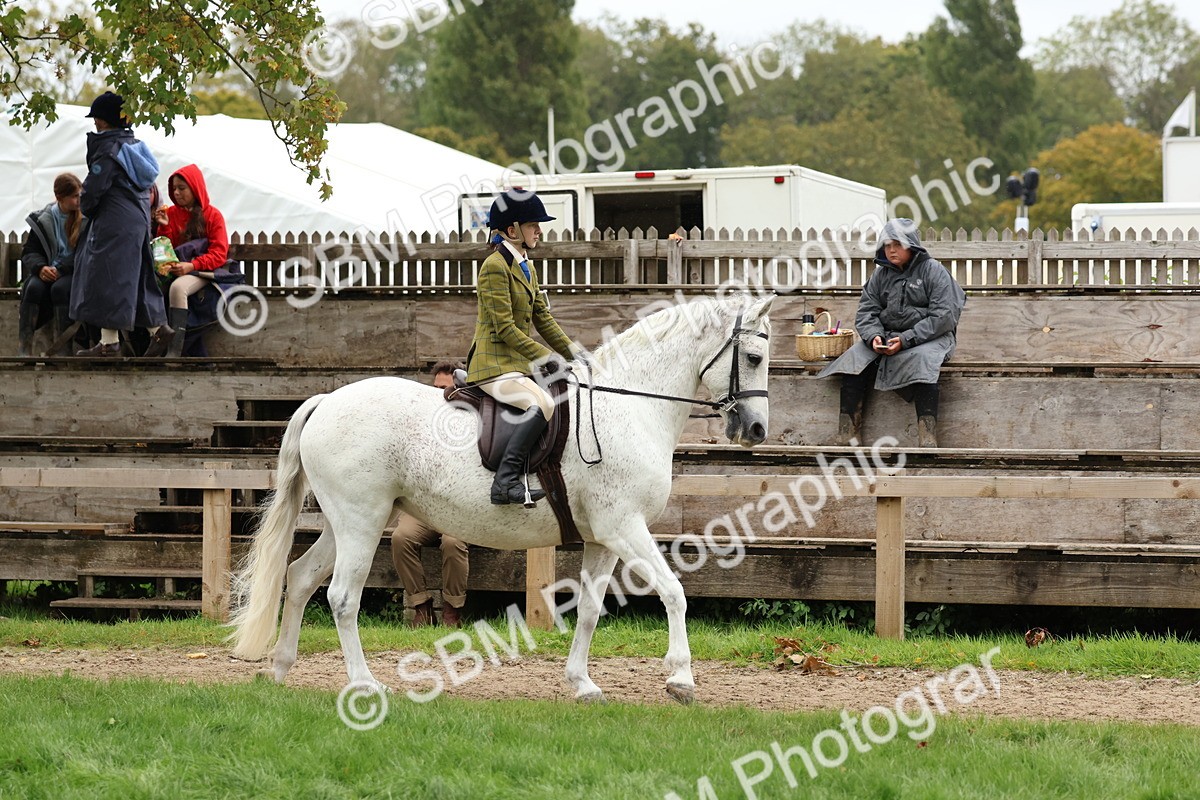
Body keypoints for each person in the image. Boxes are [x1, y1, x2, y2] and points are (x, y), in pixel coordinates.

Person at [467, 189, 582, 505]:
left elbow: (543, 319)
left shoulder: (525, 264)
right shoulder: (494, 266)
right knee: (542, 404)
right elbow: (505, 329)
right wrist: (548, 358)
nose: (539, 231)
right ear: (512, 229)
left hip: (515, 364)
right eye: (533, 225)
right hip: (492, 365)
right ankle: (504, 483)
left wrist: (577, 354)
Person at [819, 218, 966, 448]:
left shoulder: (934, 271)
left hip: (932, 339)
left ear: (912, 246)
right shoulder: (880, 275)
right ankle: (847, 436)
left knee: (924, 361)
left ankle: (927, 438)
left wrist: (906, 339)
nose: (891, 250)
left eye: (897, 244)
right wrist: (873, 337)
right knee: (854, 359)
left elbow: (943, 317)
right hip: (888, 337)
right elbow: (866, 313)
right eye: (887, 245)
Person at [70, 91, 167, 357]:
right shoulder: (133, 146)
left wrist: (86, 206)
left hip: (114, 223)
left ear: (104, 120)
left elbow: (92, 192)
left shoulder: (108, 150)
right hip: (136, 221)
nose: (95, 123)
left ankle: (110, 344)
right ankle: (156, 331)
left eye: (97, 118)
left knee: (106, 279)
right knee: (135, 278)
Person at [391, 360, 471, 627]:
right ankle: (421, 607)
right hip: (425, 506)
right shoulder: (420, 422)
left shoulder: (470, 421)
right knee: (401, 537)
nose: (439, 395)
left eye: (445, 389)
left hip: (459, 509)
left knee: (452, 542)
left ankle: (452, 610)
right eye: (436, 387)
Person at [145, 164, 231, 357]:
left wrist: (192, 265)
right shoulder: (172, 213)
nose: (176, 193)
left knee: (178, 288)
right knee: (148, 285)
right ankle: (149, 343)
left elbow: (219, 254)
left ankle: (175, 350)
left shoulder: (213, 215)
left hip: (203, 271)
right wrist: (165, 227)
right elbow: (167, 248)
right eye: (174, 188)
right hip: (178, 269)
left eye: (181, 188)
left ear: (195, 187)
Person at [17, 174, 90, 356]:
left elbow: (84, 253)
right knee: (33, 288)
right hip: (47, 270)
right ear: (59, 198)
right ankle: (24, 348)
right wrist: (40, 268)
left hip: (72, 271)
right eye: (74, 196)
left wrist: (61, 269)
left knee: (59, 289)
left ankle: (63, 350)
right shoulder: (43, 219)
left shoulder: (86, 220)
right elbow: (29, 251)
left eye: (80, 195)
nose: (79, 200)